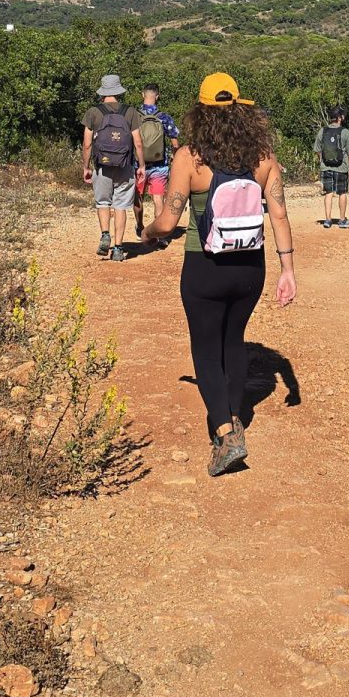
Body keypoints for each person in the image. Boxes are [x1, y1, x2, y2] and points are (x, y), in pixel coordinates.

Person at [143, 72, 297, 476]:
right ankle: (234, 413)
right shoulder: (263, 157)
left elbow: (168, 219)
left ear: (201, 111)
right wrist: (288, 270)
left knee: (206, 349)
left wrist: (147, 233)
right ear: (241, 111)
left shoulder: (189, 158)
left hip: (204, 266)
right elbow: (278, 213)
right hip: (251, 268)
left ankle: (227, 432)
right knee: (234, 340)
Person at [81, 74, 143, 261]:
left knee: (103, 202)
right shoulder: (130, 112)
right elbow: (138, 143)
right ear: (118, 92)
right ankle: (118, 248)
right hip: (125, 165)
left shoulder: (93, 112)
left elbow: (87, 143)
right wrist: (141, 166)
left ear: (102, 92)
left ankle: (105, 234)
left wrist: (86, 167)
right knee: (121, 205)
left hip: (102, 166)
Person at [134, 83, 181, 238]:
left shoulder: (134, 116)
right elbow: (175, 141)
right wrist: (174, 157)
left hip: (138, 165)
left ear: (143, 95)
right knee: (157, 197)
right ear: (157, 96)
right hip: (160, 165)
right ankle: (159, 234)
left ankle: (140, 226)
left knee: (138, 197)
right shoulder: (163, 117)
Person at [313, 105, 349, 228]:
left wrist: (322, 160)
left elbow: (317, 149)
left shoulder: (322, 131)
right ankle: (342, 220)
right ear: (340, 118)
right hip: (341, 167)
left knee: (328, 193)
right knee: (342, 192)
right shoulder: (345, 132)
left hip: (326, 166)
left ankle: (327, 220)